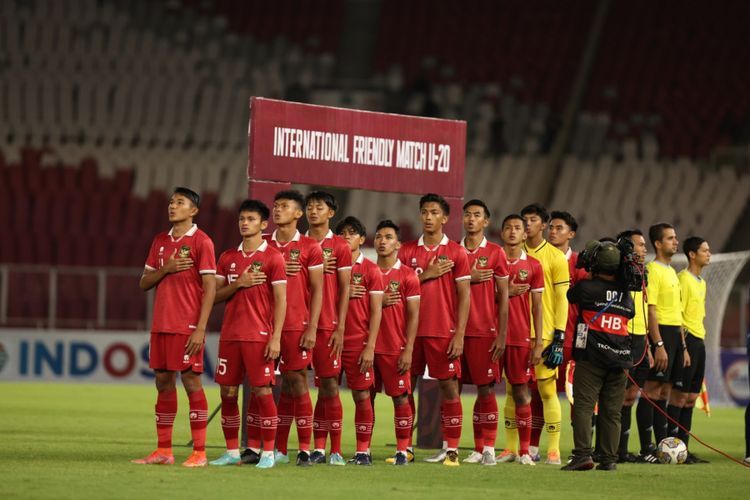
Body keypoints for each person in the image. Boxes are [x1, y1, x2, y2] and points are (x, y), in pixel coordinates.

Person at [132, 187, 216, 467]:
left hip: (188, 325)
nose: (172, 206)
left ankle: (200, 452)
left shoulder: (202, 242)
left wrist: (201, 328)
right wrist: (166, 269)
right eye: (170, 201)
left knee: (191, 380)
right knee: (162, 382)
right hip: (162, 324)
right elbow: (144, 282)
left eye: (179, 202)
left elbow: (210, 287)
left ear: (193, 210)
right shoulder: (160, 241)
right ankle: (164, 451)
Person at [210, 200, 287, 469]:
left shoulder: (273, 257)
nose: (245, 223)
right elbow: (213, 297)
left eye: (251, 219)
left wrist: (276, 337)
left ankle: (267, 453)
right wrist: (239, 284)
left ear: (264, 224)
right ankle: (232, 452)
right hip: (230, 335)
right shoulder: (227, 257)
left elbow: (281, 301)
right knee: (228, 393)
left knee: (262, 392)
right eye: (242, 218)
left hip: (259, 335)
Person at [399, 193, 471, 467]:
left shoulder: (456, 251)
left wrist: (460, 334)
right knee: (405, 389)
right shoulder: (406, 251)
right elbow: (399, 288)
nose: (428, 217)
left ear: (445, 218)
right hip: (408, 333)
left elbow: (464, 296)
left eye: (434, 213)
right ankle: (404, 449)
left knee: (449, 388)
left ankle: (451, 450)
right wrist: (425, 275)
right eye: (424, 212)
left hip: (443, 330)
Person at [562, 241, 636, 471]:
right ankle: (609, 459)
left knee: (584, 406)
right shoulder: (626, 295)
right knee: (612, 412)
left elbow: (570, 295)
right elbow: (631, 313)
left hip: (591, 358)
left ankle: (583, 455)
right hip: (621, 359)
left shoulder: (586, 288)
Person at [265, 190, 324, 467]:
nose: (277, 210)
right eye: (275, 206)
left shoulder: (311, 247)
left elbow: (318, 290)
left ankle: (303, 449)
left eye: (284, 206)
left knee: (297, 381)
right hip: (262, 324)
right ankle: (269, 449)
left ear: (298, 213)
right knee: (263, 385)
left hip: (295, 324)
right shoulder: (263, 245)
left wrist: (312, 327)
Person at [459, 200, 509, 465]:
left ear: (486, 222)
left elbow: (504, 297)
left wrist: (501, 334)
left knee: (485, 390)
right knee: (452, 388)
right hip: (454, 330)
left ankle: (488, 447)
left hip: (484, 331)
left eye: (477, 215)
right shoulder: (453, 250)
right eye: (467, 214)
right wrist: (469, 277)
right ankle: (471, 448)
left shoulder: (495, 252)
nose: (471, 219)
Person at [305, 191, 352, 466]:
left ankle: (331, 450)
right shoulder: (297, 244)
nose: (313, 211)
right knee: (293, 384)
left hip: (327, 324)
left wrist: (340, 327)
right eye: (309, 207)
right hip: (297, 323)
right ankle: (307, 449)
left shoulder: (340, 247)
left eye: (318, 207)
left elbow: (345, 288)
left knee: (329, 386)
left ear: (330, 213)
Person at [520, 203, 569, 464]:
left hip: (545, 334)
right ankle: (515, 449)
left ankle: (553, 450)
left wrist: (559, 337)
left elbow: (562, 300)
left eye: (532, 220)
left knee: (547, 392)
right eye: (524, 220)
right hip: (516, 334)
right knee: (515, 389)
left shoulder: (555, 257)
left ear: (543, 225)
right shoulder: (511, 254)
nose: (527, 225)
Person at [336, 216, 385, 465]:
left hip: (357, 342)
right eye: (343, 233)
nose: (347, 237)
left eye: (352, 233)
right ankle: (326, 450)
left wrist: (370, 346)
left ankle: (363, 451)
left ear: (362, 239)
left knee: (362, 396)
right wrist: (340, 292)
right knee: (327, 393)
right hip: (331, 339)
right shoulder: (329, 267)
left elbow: (377, 311)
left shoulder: (371, 270)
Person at [372, 220, 421, 465]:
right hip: (367, 347)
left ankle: (404, 450)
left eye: (389, 237)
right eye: (379, 236)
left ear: (398, 244)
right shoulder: (366, 272)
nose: (382, 241)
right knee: (364, 397)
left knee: (400, 397)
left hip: (394, 346)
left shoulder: (408, 276)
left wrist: (408, 349)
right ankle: (363, 450)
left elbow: (414, 316)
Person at [496, 214, 544, 466]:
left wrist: (538, 342)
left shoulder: (534, 265)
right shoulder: (492, 261)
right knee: (483, 390)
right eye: (508, 228)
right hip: (489, 336)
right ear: (501, 233)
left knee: (521, 390)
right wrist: (504, 292)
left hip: (519, 337)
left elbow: (537, 307)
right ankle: (483, 449)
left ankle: (524, 452)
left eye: (518, 228)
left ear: (525, 235)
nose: (512, 232)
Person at [638, 223, 683, 461]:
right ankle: (646, 449)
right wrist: (658, 344)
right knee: (651, 391)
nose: (676, 242)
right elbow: (651, 311)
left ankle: (662, 447)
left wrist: (682, 346)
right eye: (670, 238)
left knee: (665, 391)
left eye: (675, 238)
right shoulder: (652, 270)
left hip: (675, 335)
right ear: (658, 243)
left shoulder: (672, 271)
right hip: (661, 334)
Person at [671, 236, 711, 463]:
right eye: (705, 250)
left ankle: (683, 450)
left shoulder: (701, 282)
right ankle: (671, 446)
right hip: (688, 342)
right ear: (692, 254)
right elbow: (679, 317)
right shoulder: (683, 279)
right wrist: (683, 348)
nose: (709, 254)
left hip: (700, 341)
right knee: (679, 398)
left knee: (691, 398)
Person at [614, 229, 651, 463]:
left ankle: (622, 450)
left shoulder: (644, 272)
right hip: (623, 336)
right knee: (615, 397)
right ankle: (607, 448)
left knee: (629, 398)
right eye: (640, 245)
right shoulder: (618, 272)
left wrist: (652, 342)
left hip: (640, 339)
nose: (644, 249)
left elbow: (649, 309)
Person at [547, 210, 588, 394]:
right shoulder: (538, 261)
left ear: (571, 234)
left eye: (559, 228)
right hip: (543, 337)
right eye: (551, 227)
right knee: (541, 393)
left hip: (572, 340)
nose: (553, 232)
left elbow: (587, 307)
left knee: (576, 395)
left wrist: (583, 342)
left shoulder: (580, 263)